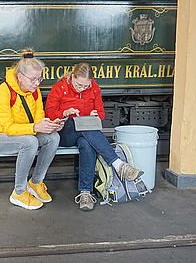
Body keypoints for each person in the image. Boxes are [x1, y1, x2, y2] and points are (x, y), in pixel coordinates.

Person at [45, 62, 144, 211]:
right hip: (64, 132)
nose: (83, 88)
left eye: (86, 86)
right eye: (79, 85)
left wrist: (95, 115)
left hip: (86, 132)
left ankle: (85, 193)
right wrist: (64, 113)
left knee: (86, 143)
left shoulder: (94, 88)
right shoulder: (58, 89)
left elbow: (101, 113)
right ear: (72, 77)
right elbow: (49, 114)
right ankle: (119, 165)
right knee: (84, 130)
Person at [0, 48, 64, 210]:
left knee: (53, 137)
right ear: (20, 77)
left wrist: (49, 125)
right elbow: (8, 128)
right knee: (30, 142)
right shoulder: (3, 92)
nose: (37, 83)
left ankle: (35, 183)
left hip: (23, 133)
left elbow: (38, 117)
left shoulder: (35, 91)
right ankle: (19, 192)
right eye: (33, 79)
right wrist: (35, 127)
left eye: (40, 79)